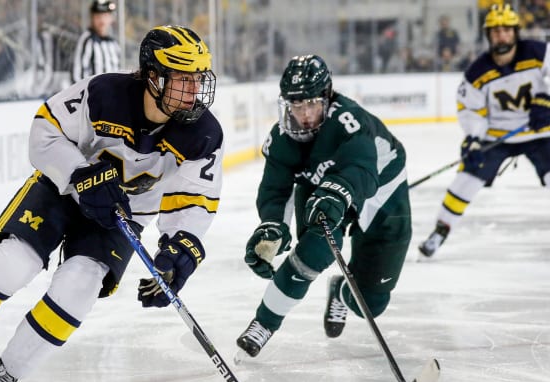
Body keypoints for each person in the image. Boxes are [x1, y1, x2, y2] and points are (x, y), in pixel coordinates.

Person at [0, 25, 221, 382]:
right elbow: (44, 131)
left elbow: (194, 199)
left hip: (120, 214)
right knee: (14, 263)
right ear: (154, 76)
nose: (194, 91)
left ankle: (6, 373)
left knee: (79, 287)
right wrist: (79, 173)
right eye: (183, 79)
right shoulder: (104, 93)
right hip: (60, 191)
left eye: (197, 79)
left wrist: (180, 248)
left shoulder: (204, 133)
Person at [236, 54, 411, 359]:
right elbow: (275, 189)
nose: (303, 115)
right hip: (323, 186)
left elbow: (362, 168)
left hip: (382, 187)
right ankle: (264, 323)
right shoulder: (282, 137)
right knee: (316, 247)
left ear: (327, 98)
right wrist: (271, 225)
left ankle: (343, 291)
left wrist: (338, 192)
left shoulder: (349, 121)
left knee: (372, 303)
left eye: (311, 105)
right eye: (295, 105)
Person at [418, 3, 550, 258]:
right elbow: (470, 111)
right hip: (498, 137)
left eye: (506, 30)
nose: (501, 35)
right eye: (495, 30)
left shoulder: (538, 52)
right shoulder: (477, 72)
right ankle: (440, 231)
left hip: (540, 132)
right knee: (466, 180)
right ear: (488, 35)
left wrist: (546, 100)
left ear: (515, 32)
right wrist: (474, 141)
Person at [71, 0, 121, 84]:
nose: (102, 21)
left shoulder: (114, 44)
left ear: (111, 18)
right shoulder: (87, 40)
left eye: (105, 16)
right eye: (98, 16)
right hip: (93, 95)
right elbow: (76, 75)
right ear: (92, 18)